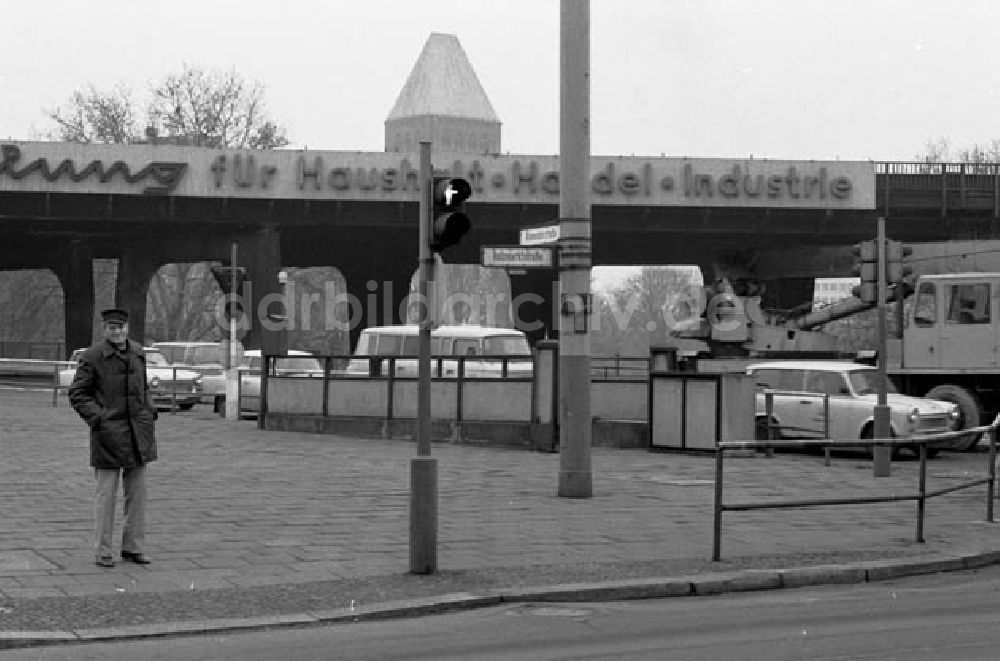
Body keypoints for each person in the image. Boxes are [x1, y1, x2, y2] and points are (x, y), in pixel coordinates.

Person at [68, 308, 157, 568]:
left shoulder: (138, 352)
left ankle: (133, 548)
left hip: (137, 434)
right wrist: (100, 419)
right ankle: (103, 551)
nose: (116, 331)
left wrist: (148, 412)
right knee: (106, 497)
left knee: (138, 496)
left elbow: (143, 388)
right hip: (108, 435)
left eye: (120, 327)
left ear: (127, 328)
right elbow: (78, 393)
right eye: (111, 327)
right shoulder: (92, 356)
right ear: (104, 329)